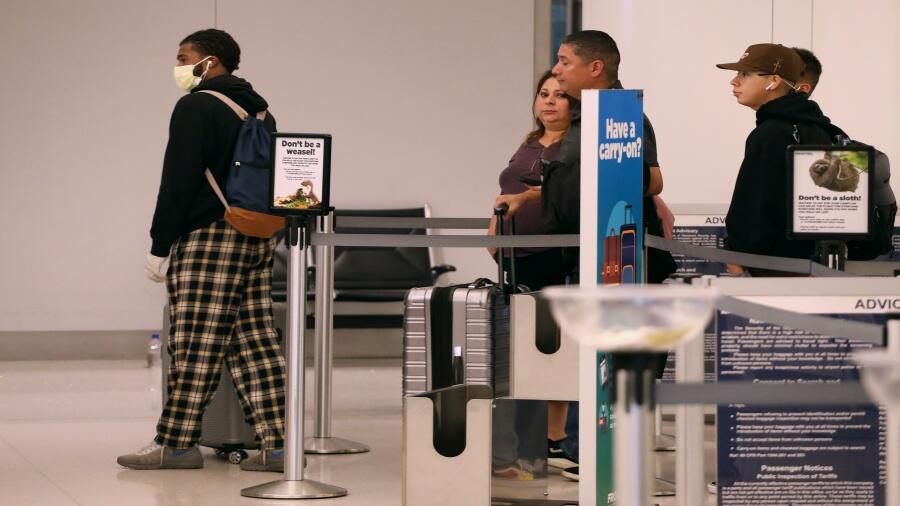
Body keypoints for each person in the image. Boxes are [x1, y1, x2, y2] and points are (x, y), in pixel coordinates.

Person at [117, 29, 286, 472]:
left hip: (209, 236)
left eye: (183, 56)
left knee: (195, 340)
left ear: (209, 62)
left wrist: (159, 243)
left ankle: (175, 445)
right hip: (256, 233)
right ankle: (278, 445)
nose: (177, 65)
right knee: (256, 340)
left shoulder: (196, 106)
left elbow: (179, 178)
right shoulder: (259, 108)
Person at [540, 30, 678, 481]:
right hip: (580, 258)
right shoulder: (583, 119)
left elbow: (649, 180)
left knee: (618, 359)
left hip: (618, 259)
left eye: (564, 61)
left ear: (595, 67)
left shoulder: (624, 115)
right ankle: (586, 451)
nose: (557, 70)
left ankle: (606, 456)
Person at [487, 70, 578, 478]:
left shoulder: (573, 145)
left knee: (552, 347)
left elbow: (569, 191)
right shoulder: (528, 144)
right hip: (513, 257)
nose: (550, 102)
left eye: (560, 96)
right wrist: (492, 234)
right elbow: (504, 193)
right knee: (517, 353)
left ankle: (554, 438)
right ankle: (520, 444)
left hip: (554, 256)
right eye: (544, 94)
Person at [717, 43, 846, 272]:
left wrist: (738, 259)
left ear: (773, 81)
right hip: (815, 265)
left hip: (769, 270)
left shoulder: (769, 134)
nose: (734, 81)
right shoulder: (822, 129)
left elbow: (753, 211)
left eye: (745, 74)